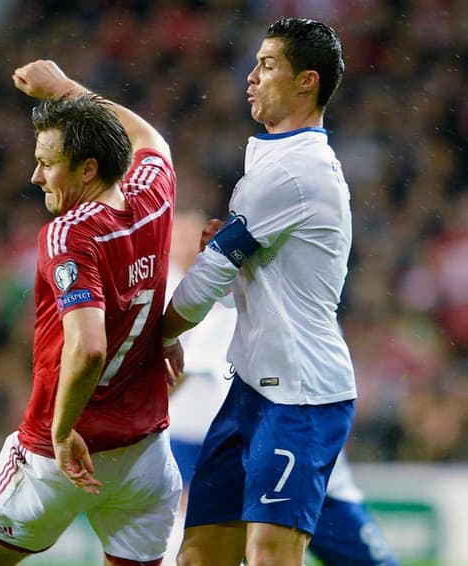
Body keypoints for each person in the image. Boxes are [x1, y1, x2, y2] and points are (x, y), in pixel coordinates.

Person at [0, 59, 182, 565]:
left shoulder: (70, 234)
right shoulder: (153, 196)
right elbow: (148, 136)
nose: (35, 174)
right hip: (145, 454)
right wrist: (67, 91)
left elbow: (88, 347)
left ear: (87, 169)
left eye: (47, 162)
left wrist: (63, 433)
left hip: (61, 453)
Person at [162, 18, 358, 565]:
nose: (250, 77)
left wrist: (152, 340)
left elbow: (204, 286)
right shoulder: (274, 164)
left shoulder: (295, 172)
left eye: (267, 66)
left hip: (301, 396)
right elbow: (236, 288)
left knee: (271, 555)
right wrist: (224, 256)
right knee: (200, 554)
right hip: (251, 392)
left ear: (307, 82)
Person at [163, 212, 399, 566]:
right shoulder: (182, 295)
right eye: (175, 235)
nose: (184, 243)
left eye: (191, 234)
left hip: (292, 446)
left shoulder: (244, 300)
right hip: (221, 447)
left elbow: (180, 377)